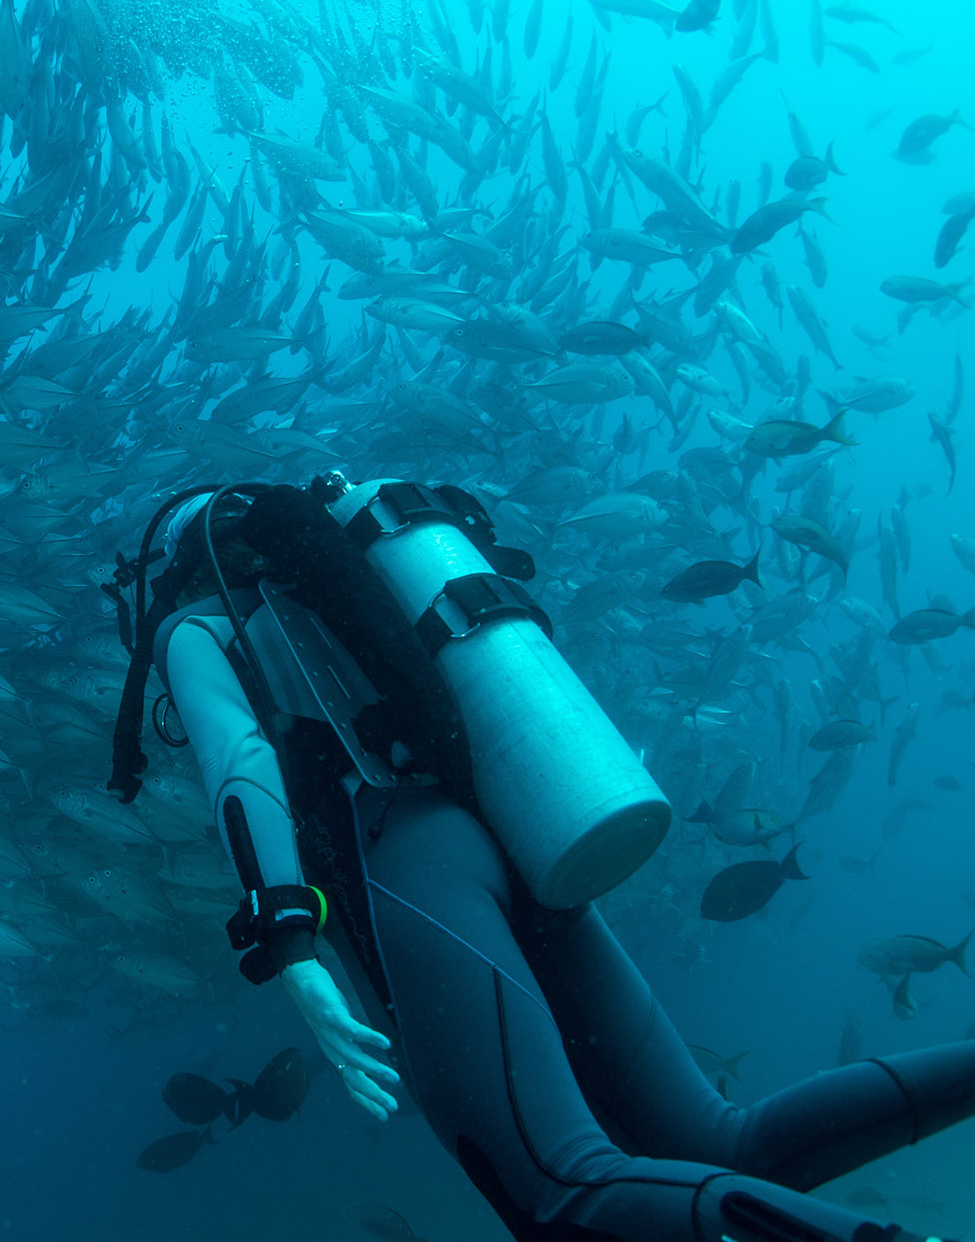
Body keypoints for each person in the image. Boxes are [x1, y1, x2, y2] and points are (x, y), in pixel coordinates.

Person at [105, 476, 975, 1242]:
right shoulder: (357, 594)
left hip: (410, 864)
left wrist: (291, 945)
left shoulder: (198, 627)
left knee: (557, 1189)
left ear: (185, 563)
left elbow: (241, 765)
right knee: (718, 1143)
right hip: (511, 834)